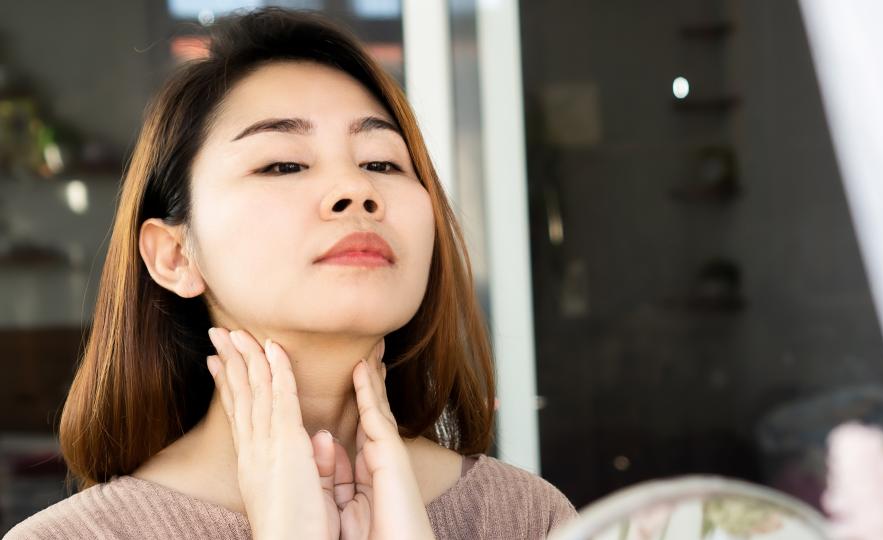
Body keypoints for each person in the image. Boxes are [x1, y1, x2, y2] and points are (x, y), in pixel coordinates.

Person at [5, 6, 577, 539]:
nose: (358, 190)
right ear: (174, 255)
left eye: (382, 162)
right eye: (283, 163)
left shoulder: (529, 518)